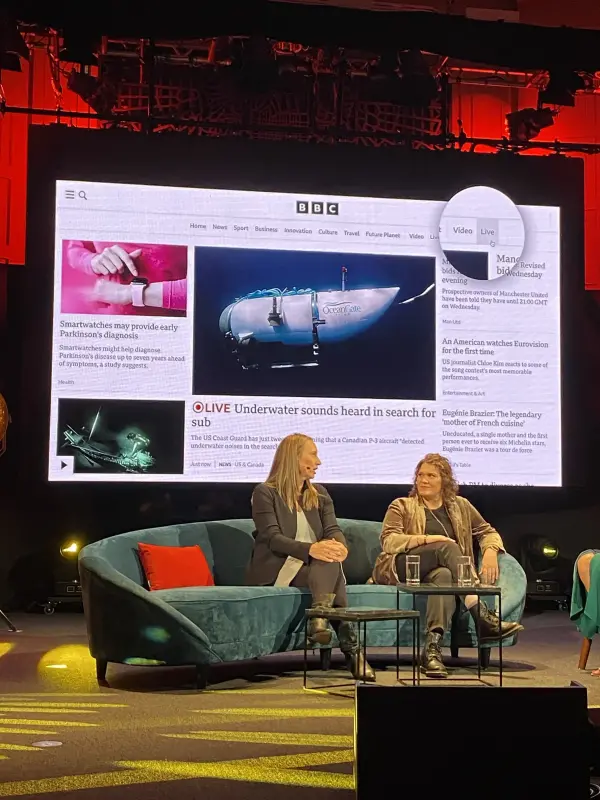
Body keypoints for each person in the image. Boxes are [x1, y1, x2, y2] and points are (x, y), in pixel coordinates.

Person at [372, 453, 524, 678]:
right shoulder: (402, 505)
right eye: (420, 475)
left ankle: (432, 651)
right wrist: (428, 540)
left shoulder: (460, 506)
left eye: (431, 475)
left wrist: (491, 552)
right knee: (447, 547)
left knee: (443, 576)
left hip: (437, 572)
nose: (423, 480)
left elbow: (486, 531)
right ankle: (480, 614)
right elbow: (389, 541)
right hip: (404, 566)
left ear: (445, 480)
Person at [247, 433, 376, 682]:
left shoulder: (319, 493)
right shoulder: (265, 493)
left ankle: (320, 615)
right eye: (313, 454)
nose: (319, 461)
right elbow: (272, 538)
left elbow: (332, 530)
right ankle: (353, 653)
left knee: (330, 560)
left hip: (314, 568)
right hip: (279, 567)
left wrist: (340, 546)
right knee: (330, 567)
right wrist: (312, 549)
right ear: (294, 457)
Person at [65, 241, 187, 314]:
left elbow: (204, 289)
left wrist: (128, 293)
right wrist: (93, 261)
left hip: (172, 328)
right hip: (114, 322)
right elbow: (75, 249)